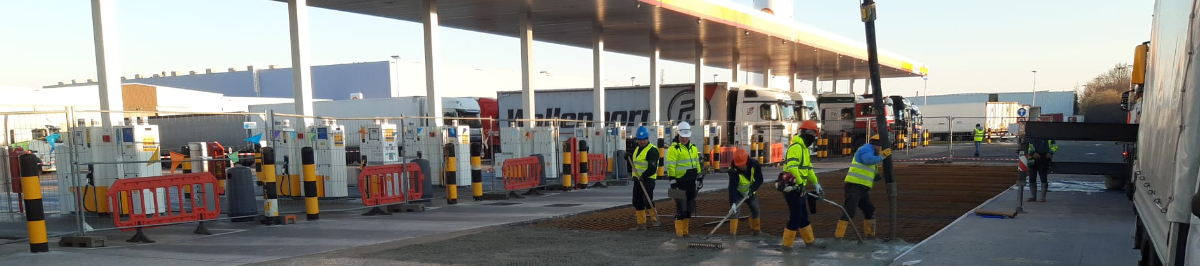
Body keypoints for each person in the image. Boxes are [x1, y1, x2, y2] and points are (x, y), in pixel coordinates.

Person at [835, 134, 892, 241]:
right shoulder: (866, 149)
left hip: (862, 189)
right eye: (880, 148)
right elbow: (867, 160)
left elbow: (870, 174)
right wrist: (882, 156)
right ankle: (838, 238)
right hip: (854, 186)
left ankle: (870, 236)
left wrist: (880, 175)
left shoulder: (872, 152)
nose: (880, 150)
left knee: (870, 210)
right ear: (876, 145)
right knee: (849, 212)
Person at [778, 120, 824, 248]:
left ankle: (810, 242)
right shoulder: (796, 148)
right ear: (809, 133)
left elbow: (808, 168)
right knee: (796, 216)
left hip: (799, 188)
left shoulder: (804, 149)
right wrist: (799, 183)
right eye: (814, 135)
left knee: (803, 216)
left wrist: (816, 183)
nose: (814, 138)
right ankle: (787, 245)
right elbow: (792, 168)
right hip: (792, 188)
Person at [667, 122, 702, 238]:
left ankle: (686, 232)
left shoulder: (693, 147)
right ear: (678, 134)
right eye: (683, 136)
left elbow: (696, 163)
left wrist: (699, 176)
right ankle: (679, 234)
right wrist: (673, 185)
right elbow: (670, 167)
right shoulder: (673, 149)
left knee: (689, 209)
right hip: (678, 184)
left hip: (691, 183)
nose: (685, 139)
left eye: (687, 136)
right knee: (681, 209)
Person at [629, 126, 660, 231]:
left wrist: (643, 177)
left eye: (644, 139)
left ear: (647, 138)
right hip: (638, 180)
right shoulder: (637, 149)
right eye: (640, 139)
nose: (642, 141)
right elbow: (637, 164)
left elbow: (652, 168)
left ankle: (655, 220)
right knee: (637, 201)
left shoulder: (652, 151)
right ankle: (641, 224)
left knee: (647, 201)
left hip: (648, 180)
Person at [727, 148, 764, 236]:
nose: (740, 167)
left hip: (750, 192)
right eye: (739, 165)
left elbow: (760, 179)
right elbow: (732, 187)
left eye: (742, 165)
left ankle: (756, 231)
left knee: (756, 210)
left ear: (747, 161)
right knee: (735, 212)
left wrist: (751, 190)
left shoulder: (755, 164)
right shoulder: (733, 171)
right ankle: (732, 234)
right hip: (738, 193)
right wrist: (732, 203)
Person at [1026, 138, 1058, 202]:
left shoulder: (1049, 138)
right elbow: (1026, 146)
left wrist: (1050, 153)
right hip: (1032, 160)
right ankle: (1033, 197)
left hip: (1044, 160)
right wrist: (1033, 153)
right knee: (1032, 179)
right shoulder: (1031, 137)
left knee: (1043, 179)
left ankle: (1042, 198)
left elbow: (1054, 146)